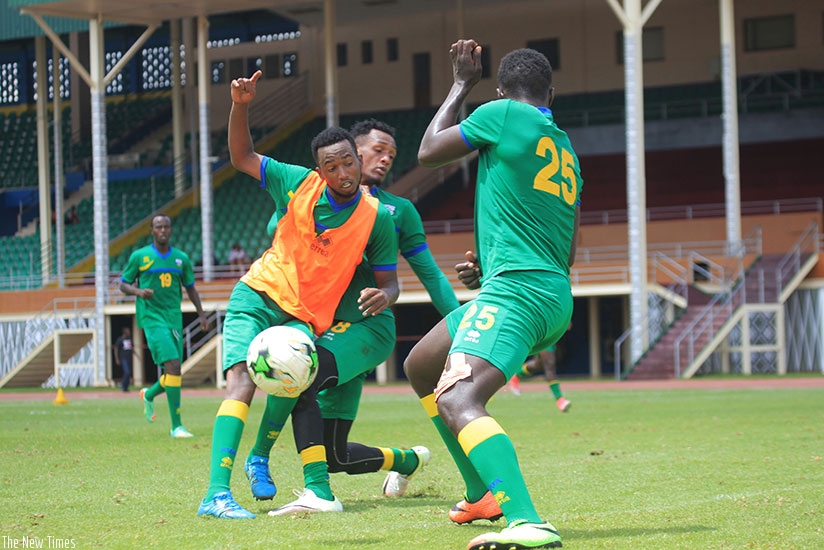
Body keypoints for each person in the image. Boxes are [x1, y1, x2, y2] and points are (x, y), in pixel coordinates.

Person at [197, 70, 399, 520]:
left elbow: (390, 280)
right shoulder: (295, 182)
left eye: (349, 161)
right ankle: (216, 494)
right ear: (319, 170)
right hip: (258, 294)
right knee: (242, 383)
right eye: (332, 167)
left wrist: (386, 295)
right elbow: (242, 156)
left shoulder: (377, 218)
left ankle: (259, 458)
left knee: (292, 383)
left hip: (305, 319)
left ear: (357, 157)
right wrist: (241, 105)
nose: (343, 173)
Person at [405, 41, 582, 550]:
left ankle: (526, 519)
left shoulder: (501, 112)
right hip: (548, 292)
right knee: (422, 366)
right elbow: (564, 250)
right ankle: (481, 492)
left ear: (501, 92)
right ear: (552, 93)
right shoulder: (566, 151)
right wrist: (490, 264)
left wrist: (462, 84)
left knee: (460, 395)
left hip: (518, 292)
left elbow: (428, 150)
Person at [243, 118, 462, 514]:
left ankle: (303, 485)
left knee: (298, 373)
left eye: (391, 154)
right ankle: (410, 460)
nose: (385, 159)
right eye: (377, 150)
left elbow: (428, 274)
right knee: (335, 455)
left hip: (361, 332)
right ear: (350, 153)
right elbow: (279, 229)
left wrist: (464, 330)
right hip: (324, 328)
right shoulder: (308, 197)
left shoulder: (394, 213)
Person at [120, 214, 209, 438]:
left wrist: (202, 315)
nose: (162, 230)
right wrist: (139, 292)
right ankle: (176, 426)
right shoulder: (140, 256)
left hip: (174, 317)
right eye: (158, 226)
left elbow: (190, 288)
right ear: (152, 230)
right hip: (151, 317)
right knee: (172, 364)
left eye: (166, 226)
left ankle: (149, 395)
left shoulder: (181, 259)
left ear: (170, 230)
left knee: (174, 369)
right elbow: (123, 284)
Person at [114, 326, 134, 392]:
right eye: (128, 332)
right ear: (125, 333)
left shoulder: (130, 339)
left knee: (129, 373)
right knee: (127, 372)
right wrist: (117, 359)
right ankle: (123, 385)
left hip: (129, 358)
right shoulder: (120, 340)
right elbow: (116, 349)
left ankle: (126, 387)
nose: (129, 333)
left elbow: (131, 348)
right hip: (123, 358)